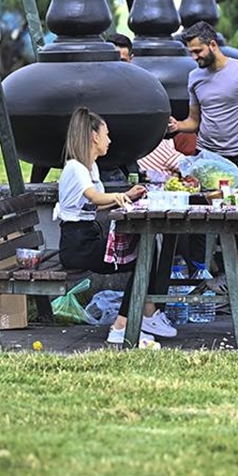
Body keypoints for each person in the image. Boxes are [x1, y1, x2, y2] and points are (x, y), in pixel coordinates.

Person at [55, 107, 178, 345]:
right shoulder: (76, 168)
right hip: (77, 245)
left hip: (85, 238)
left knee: (148, 251)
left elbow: (92, 206)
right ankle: (123, 325)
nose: (110, 140)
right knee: (143, 255)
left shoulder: (91, 167)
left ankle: (147, 313)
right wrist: (117, 197)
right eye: (107, 134)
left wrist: (128, 196)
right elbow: (93, 197)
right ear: (94, 137)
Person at [168, 21, 238, 175]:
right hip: (205, 155)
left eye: (198, 51)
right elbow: (194, 121)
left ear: (213, 45)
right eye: (191, 52)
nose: (194, 57)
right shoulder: (194, 77)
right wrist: (178, 126)